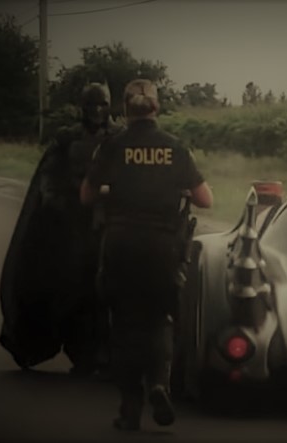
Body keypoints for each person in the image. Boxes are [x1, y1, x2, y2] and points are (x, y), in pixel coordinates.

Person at [80, 78, 213, 431]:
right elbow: (205, 200)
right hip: (163, 249)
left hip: (121, 245)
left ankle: (129, 410)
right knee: (160, 320)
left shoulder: (111, 145)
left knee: (124, 325)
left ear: (125, 109)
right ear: (157, 107)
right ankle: (158, 383)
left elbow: (86, 197)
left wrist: (112, 187)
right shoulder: (176, 148)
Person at [0, 82, 122, 375]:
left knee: (105, 292)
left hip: (107, 224)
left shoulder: (120, 137)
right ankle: (75, 349)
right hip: (71, 226)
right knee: (71, 290)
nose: (97, 111)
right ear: (82, 107)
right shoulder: (67, 138)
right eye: (91, 105)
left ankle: (101, 355)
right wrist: (60, 202)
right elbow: (48, 177)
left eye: (102, 104)